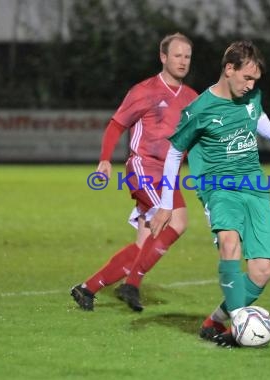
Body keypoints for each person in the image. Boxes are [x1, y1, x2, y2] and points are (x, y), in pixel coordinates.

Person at [150, 40, 270, 347]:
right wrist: (165, 204)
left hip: (254, 186)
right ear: (229, 69)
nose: (251, 85)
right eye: (247, 77)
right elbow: (176, 153)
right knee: (229, 243)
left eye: (255, 80)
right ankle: (240, 327)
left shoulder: (251, 95)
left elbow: (256, 115)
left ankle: (216, 320)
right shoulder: (200, 109)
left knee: (262, 271)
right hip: (218, 187)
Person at [70, 33, 197, 311]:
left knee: (143, 247)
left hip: (168, 176)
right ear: (163, 57)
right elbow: (116, 125)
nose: (182, 61)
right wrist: (105, 160)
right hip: (144, 168)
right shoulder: (145, 90)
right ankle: (132, 284)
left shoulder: (191, 98)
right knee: (178, 219)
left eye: (187, 56)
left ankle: (86, 289)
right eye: (177, 55)